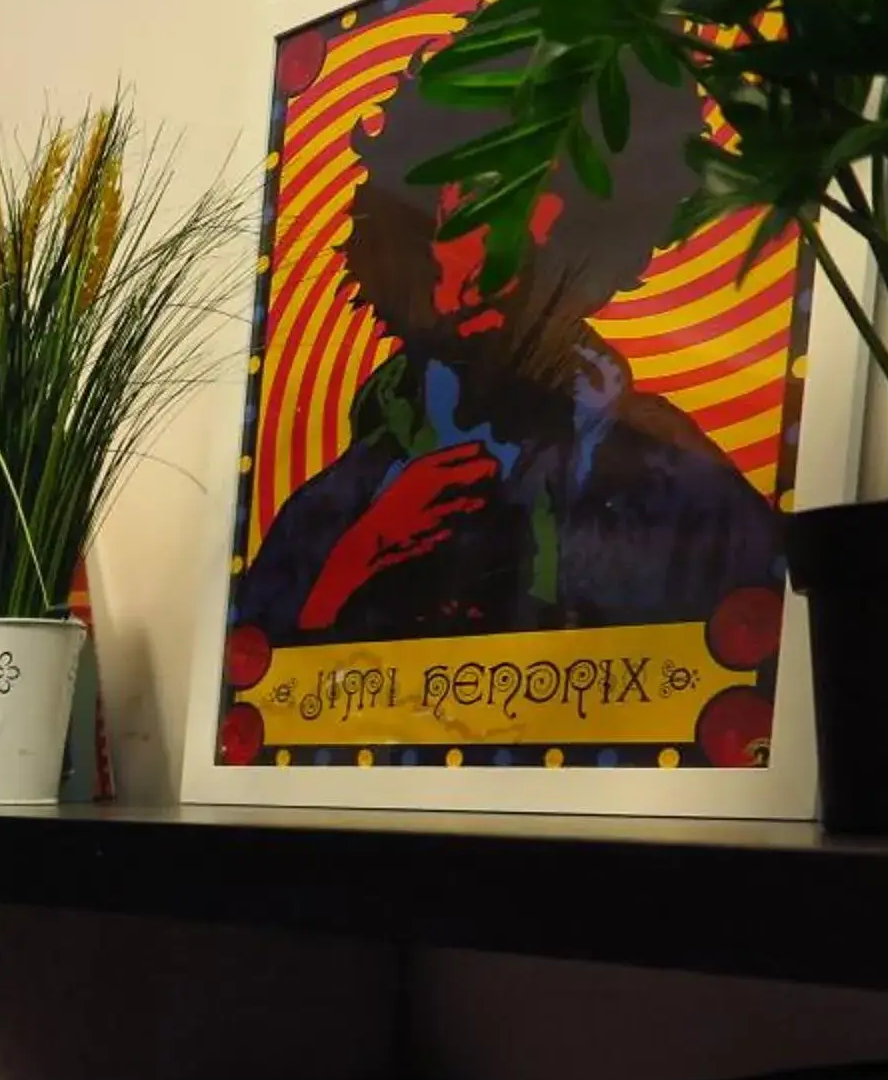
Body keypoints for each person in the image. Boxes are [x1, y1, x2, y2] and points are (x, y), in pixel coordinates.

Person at [231, 40, 782, 651]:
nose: (501, 270)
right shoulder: (332, 510)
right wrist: (349, 570)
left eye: (545, 230)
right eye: (477, 208)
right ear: (410, 232)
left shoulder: (681, 486)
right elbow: (259, 687)